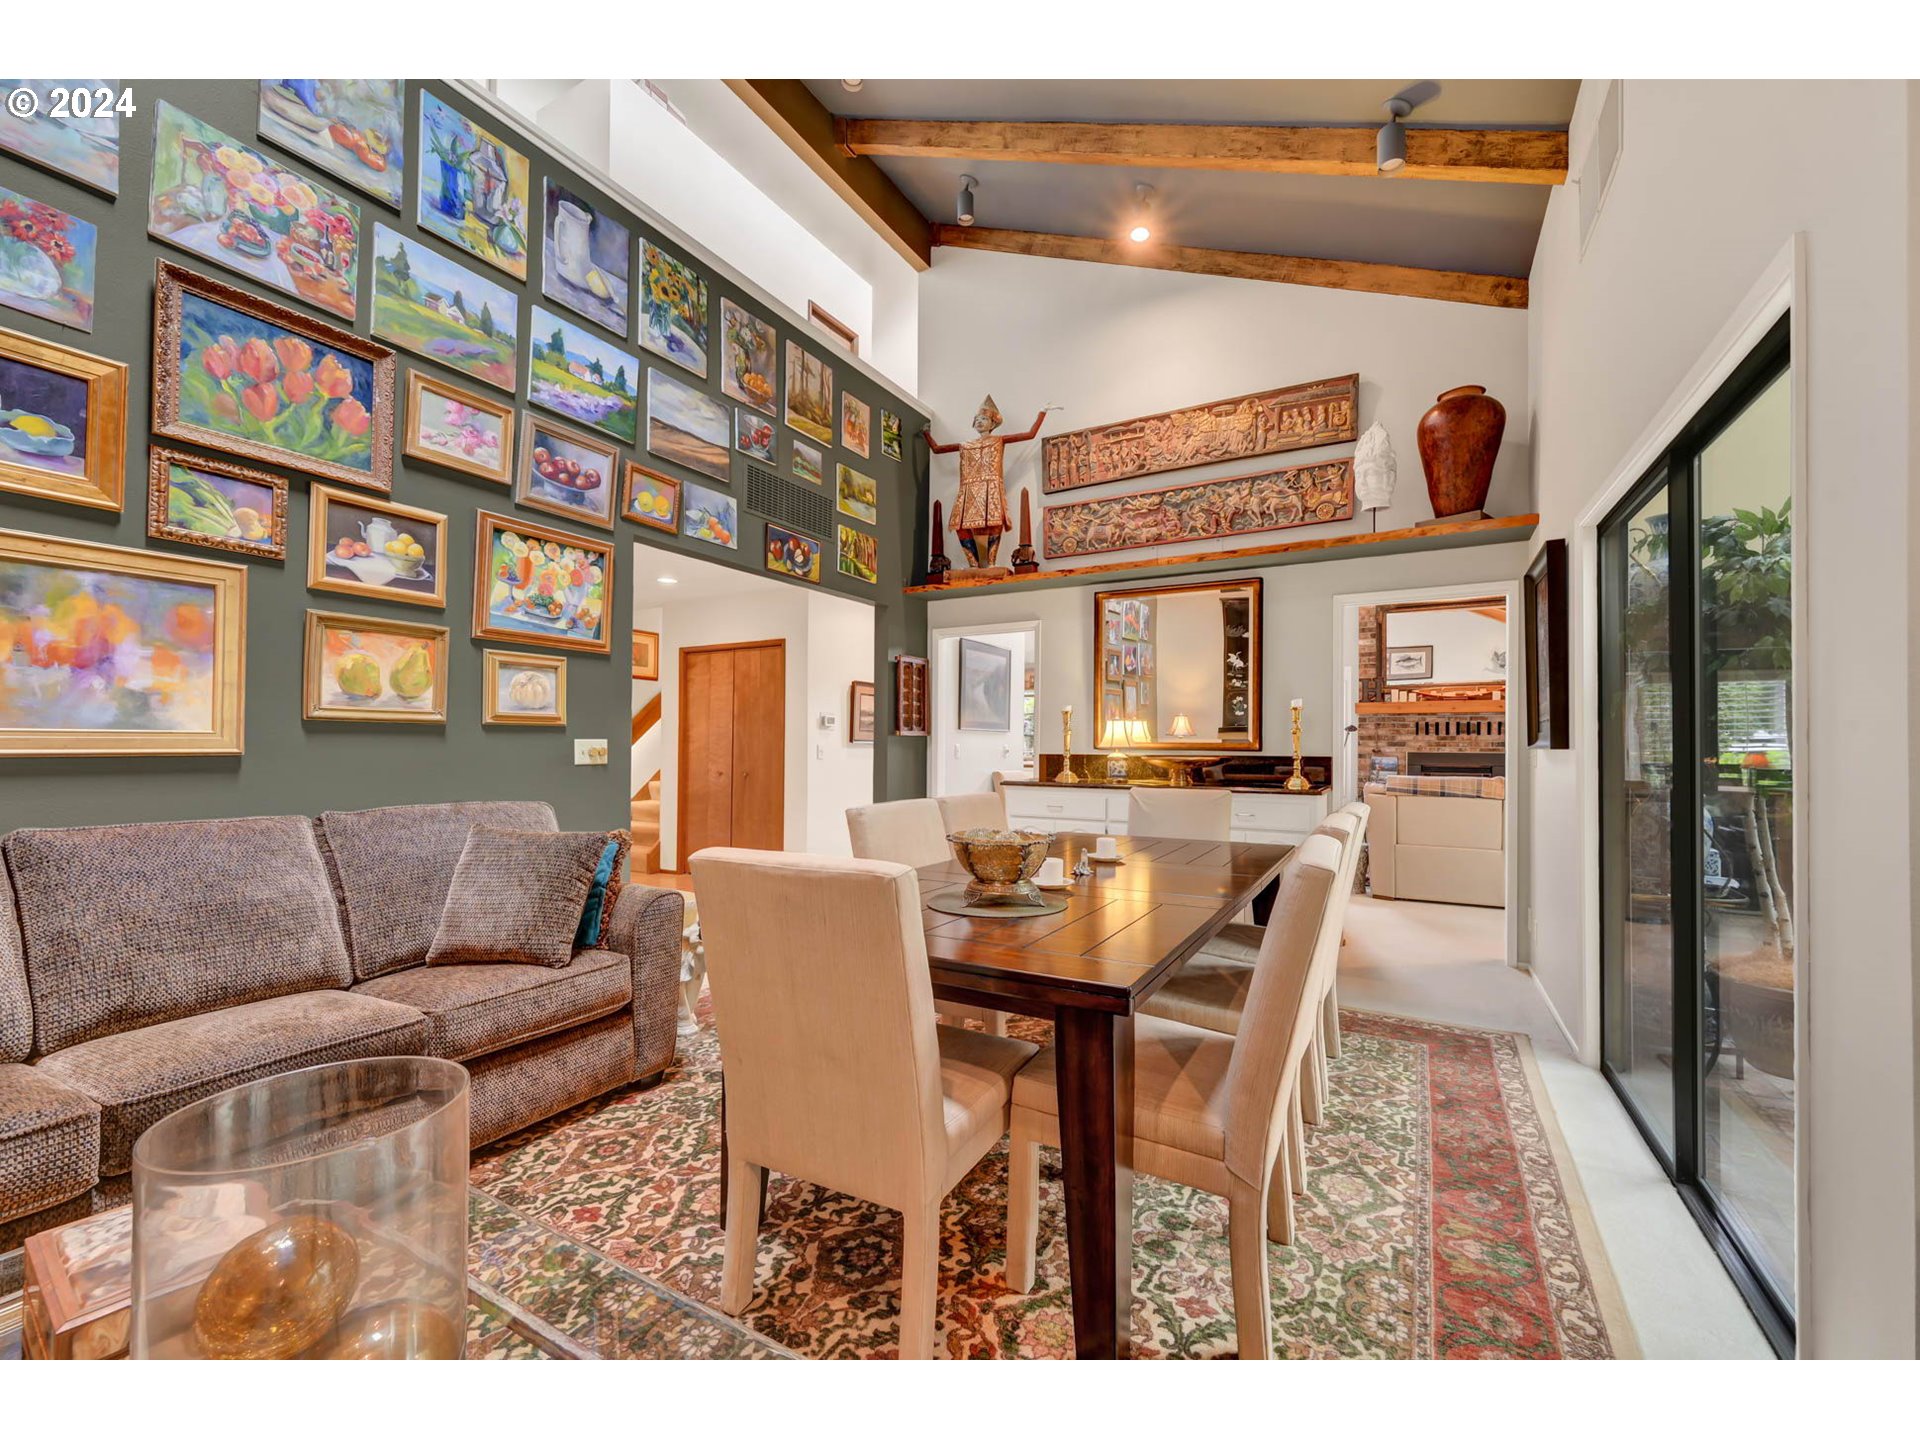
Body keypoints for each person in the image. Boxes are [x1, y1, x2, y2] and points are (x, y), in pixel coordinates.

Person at [924, 395, 1047, 571]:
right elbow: (937, 450)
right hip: (969, 488)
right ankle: (972, 564)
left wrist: (1042, 412)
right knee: (962, 525)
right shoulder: (965, 445)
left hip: (991, 486)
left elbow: (1030, 434)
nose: (980, 422)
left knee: (994, 523)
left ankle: (991, 562)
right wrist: (926, 433)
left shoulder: (998, 440)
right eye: (978, 419)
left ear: (993, 423)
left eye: (984, 419)